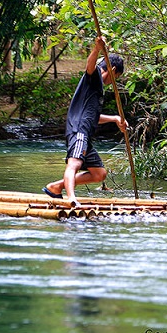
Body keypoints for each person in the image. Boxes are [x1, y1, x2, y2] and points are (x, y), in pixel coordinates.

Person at [42, 36, 127, 206]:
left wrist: (115, 119)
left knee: (99, 173)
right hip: (79, 130)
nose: (113, 82)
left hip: (85, 133)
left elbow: (94, 118)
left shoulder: (98, 89)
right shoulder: (95, 78)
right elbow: (90, 66)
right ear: (112, 69)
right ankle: (71, 197)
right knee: (74, 163)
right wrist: (97, 49)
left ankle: (56, 187)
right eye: (115, 77)